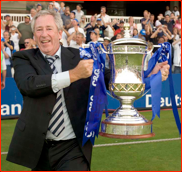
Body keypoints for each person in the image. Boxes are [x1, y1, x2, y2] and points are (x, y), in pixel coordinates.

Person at [6, 10, 170, 171]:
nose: (44, 34)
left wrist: (149, 73)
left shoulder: (80, 56)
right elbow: (29, 84)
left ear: (59, 33)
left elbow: (110, 78)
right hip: (39, 149)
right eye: (39, 30)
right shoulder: (23, 58)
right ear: (34, 35)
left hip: (73, 148)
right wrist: (73, 75)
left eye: (49, 28)